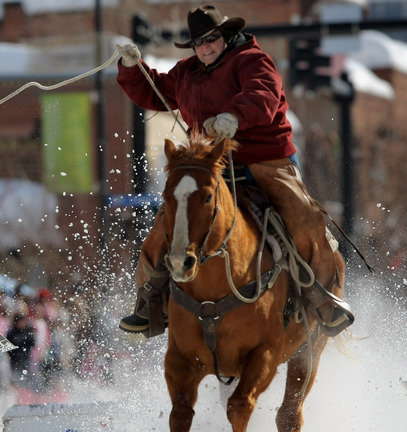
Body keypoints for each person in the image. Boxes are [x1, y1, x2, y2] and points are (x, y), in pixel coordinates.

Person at [115, 4, 353, 337]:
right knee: (167, 224)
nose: (205, 47)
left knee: (304, 218)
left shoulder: (253, 61)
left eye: (211, 39)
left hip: (265, 159)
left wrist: (234, 117)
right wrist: (131, 67)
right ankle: (150, 299)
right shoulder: (186, 72)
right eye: (198, 42)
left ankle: (323, 298)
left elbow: (264, 94)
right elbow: (156, 92)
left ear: (226, 37)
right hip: (213, 166)